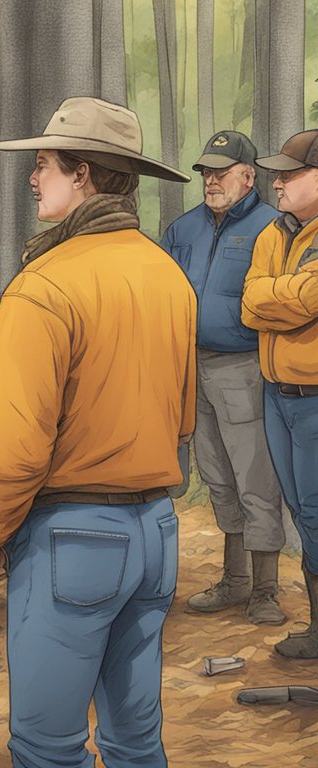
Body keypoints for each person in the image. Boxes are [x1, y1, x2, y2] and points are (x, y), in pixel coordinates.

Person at [0, 97, 195, 767]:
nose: (33, 179)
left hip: (71, 542)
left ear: (84, 174)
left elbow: (11, 451)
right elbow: (181, 419)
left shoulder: (44, 286)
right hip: (156, 534)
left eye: (43, 165)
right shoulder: (169, 276)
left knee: (47, 748)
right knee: (134, 743)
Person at [161, 130, 286, 625]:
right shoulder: (183, 228)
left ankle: (267, 590)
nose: (211, 180)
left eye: (221, 171)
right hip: (191, 367)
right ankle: (234, 581)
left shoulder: (273, 228)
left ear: (249, 176)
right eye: (207, 172)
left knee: (255, 477)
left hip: (245, 368)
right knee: (216, 475)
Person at [243, 128, 318, 660]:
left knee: (315, 511)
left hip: (315, 398)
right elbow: (249, 304)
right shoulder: (273, 233)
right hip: (277, 396)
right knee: (300, 509)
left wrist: (277, 296)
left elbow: (309, 300)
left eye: (290, 175)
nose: (278, 183)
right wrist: (281, 296)